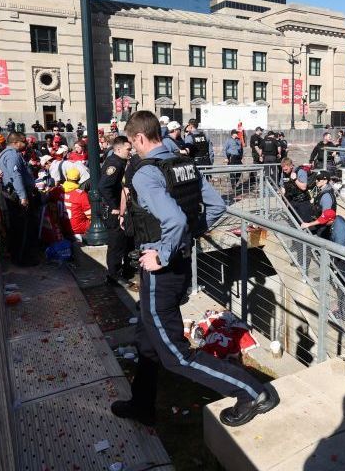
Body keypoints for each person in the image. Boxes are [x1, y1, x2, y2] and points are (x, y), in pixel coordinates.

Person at [111, 111, 278, 428]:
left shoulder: (146, 174)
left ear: (140, 138)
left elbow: (174, 221)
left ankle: (252, 392)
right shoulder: (182, 162)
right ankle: (142, 404)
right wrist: (184, 238)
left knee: (175, 354)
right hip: (180, 264)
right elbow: (216, 206)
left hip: (162, 271)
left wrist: (160, 253)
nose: (131, 152)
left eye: (132, 145)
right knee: (147, 341)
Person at [300, 169, 345, 319]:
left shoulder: (338, 229)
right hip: (344, 255)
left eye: (319, 180)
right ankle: (344, 307)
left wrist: (331, 260)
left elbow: (339, 249)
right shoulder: (334, 220)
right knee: (343, 282)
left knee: (344, 283)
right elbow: (321, 220)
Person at [0, 132, 40, 266]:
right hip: (16, 195)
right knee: (22, 228)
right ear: (15, 142)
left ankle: (19, 255)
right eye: (24, 142)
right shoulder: (12, 156)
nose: (26, 144)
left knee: (18, 227)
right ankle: (22, 258)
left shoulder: (5, 154)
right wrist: (23, 197)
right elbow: (16, 177)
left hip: (13, 194)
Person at [98, 136, 135, 286]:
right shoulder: (115, 164)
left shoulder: (120, 161)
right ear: (118, 149)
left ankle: (124, 270)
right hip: (113, 211)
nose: (130, 151)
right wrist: (115, 207)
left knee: (124, 241)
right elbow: (103, 187)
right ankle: (113, 275)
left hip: (120, 208)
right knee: (116, 243)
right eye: (128, 149)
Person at [280, 157, 313, 222]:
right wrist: (284, 200)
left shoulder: (300, 172)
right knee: (294, 222)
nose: (284, 171)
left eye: (286, 169)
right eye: (283, 169)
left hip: (302, 202)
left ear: (291, 166)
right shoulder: (283, 174)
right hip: (291, 201)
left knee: (304, 223)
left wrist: (295, 179)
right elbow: (283, 187)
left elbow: (303, 187)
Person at [62, 167, 91, 238]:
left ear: (66, 177)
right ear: (79, 179)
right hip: (79, 228)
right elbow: (90, 215)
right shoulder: (81, 194)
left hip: (64, 227)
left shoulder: (58, 191)